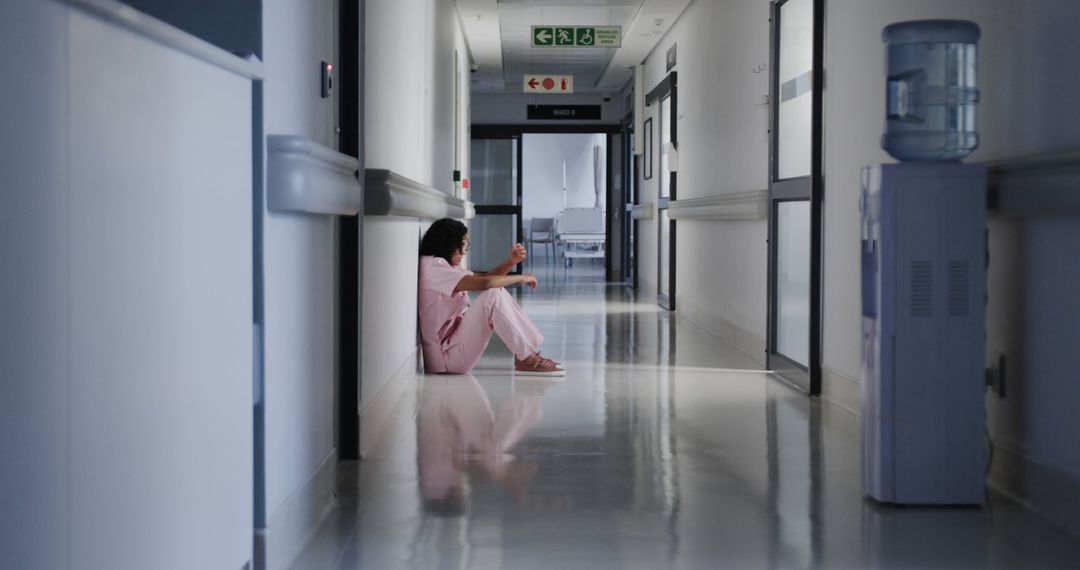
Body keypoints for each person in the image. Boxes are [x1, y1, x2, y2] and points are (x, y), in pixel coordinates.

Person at [418, 218, 564, 376]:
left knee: (494, 292)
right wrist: (521, 277)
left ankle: (527, 354)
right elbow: (486, 283)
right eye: (460, 245)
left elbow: (484, 278)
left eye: (466, 245)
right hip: (446, 358)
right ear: (446, 244)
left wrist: (511, 262)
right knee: (492, 294)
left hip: (453, 346)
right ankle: (527, 357)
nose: (463, 252)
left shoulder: (443, 266)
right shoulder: (433, 267)